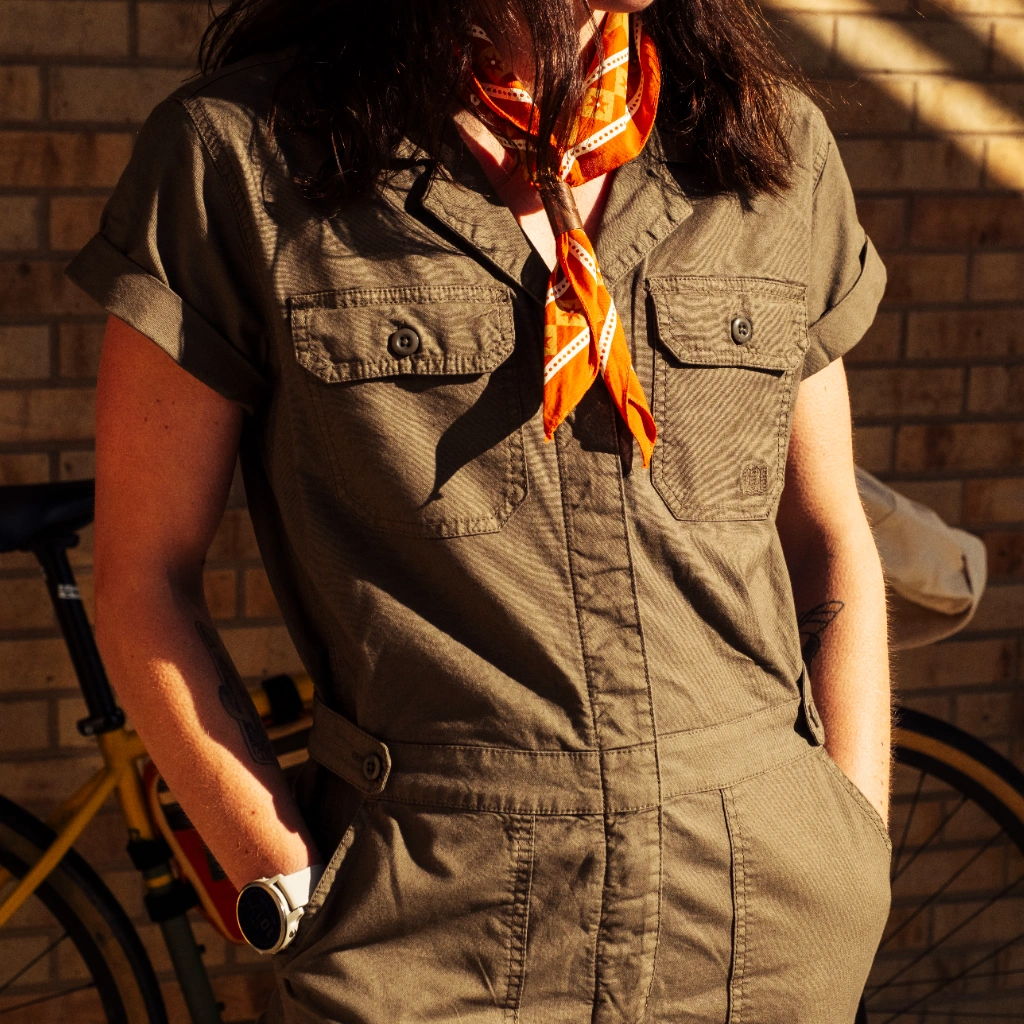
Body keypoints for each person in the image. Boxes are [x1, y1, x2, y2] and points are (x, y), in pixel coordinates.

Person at [65, 0, 893, 1020]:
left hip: (763, 927)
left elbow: (826, 530)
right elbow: (142, 574)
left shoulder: (766, 149)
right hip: (429, 942)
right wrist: (284, 880)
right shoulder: (241, 160)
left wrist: (853, 832)